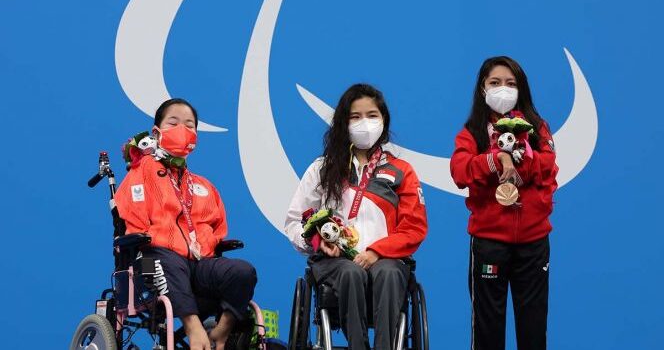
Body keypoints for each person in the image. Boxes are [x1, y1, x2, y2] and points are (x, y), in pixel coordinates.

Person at [283, 84, 428, 349]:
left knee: (388, 273)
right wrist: (317, 243)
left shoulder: (401, 171)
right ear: (343, 122)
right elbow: (294, 221)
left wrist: (375, 252)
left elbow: (414, 228)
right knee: (351, 273)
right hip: (336, 263)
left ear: (384, 121)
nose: (365, 123)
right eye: (355, 116)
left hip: (386, 260)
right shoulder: (323, 169)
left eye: (372, 115)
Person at [114, 98, 257, 350]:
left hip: (200, 265)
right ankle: (193, 328)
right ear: (157, 132)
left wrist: (208, 248)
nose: (182, 128)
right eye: (174, 122)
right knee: (164, 260)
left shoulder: (204, 186)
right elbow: (133, 220)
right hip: (154, 260)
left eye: (189, 125)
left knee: (243, 271)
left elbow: (218, 230)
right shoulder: (142, 173)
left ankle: (222, 329)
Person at [450, 56, 558, 350]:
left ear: (521, 89)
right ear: (482, 89)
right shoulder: (472, 132)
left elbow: (548, 167)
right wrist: (493, 159)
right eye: (495, 83)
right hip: (489, 242)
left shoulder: (537, 128)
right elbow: (459, 172)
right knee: (488, 330)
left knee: (533, 329)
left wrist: (518, 161)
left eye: (511, 83)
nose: (503, 89)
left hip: (533, 242)